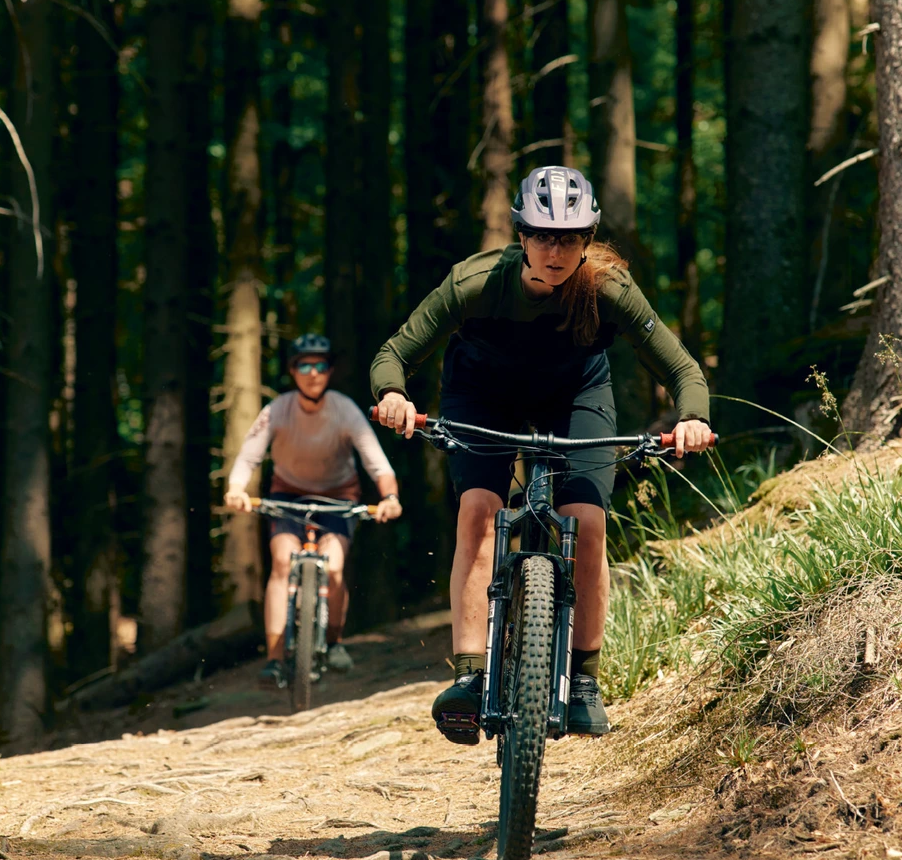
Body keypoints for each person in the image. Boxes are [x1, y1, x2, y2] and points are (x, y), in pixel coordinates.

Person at [371, 166, 714, 743]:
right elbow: (393, 353)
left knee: (587, 521)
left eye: (571, 237)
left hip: (574, 395)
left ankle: (582, 681)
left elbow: (681, 367)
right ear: (521, 235)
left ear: (588, 239)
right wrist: (394, 395)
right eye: (543, 235)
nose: (556, 250)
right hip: (481, 396)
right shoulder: (474, 283)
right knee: (479, 510)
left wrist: (694, 418)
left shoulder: (607, 288)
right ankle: (470, 678)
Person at [226, 334, 403, 687]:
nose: (312, 373)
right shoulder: (277, 409)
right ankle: (275, 660)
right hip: (287, 497)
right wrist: (235, 489)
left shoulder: (344, 409)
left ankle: (334, 642)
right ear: (292, 371)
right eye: (304, 365)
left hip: (338, 498)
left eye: (319, 365)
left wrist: (390, 498)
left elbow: (376, 463)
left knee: (334, 566)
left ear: (329, 370)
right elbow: (248, 455)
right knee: (281, 563)